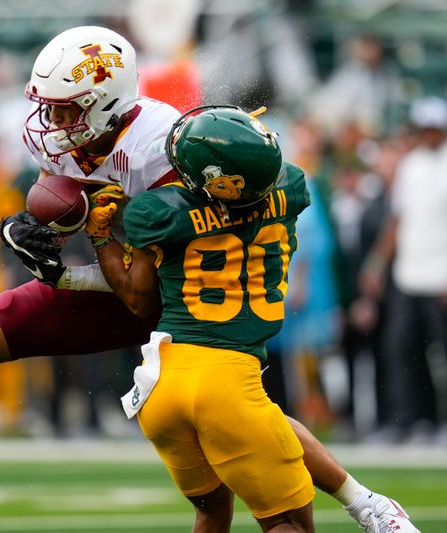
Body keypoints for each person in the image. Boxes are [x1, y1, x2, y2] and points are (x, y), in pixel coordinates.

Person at [0, 25, 419, 533]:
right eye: (47, 104)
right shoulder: (66, 134)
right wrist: (33, 227)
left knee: (245, 417)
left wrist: (72, 269)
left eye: (63, 108)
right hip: (118, 269)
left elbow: (151, 287)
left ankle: (364, 502)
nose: (48, 120)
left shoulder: (162, 149)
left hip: (174, 292)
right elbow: (62, 194)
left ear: (102, 103)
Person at [94, 104, 316, 531]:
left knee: (211, 512)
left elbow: (137, 297)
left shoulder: (153, 213)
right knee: (287, 521)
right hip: (228, 381)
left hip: (161, 382)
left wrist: (99, 234)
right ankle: (364, 502)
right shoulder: (292, 187)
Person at [361, 96, 447, 445]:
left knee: (446, 352)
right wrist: (377, 262)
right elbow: (398, 219)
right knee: (401, 348)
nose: (428, 135)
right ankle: (410, 420)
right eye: (424, 128)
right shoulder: (412, 165)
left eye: (433, 128)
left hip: (444, 276)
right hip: (410, 274)